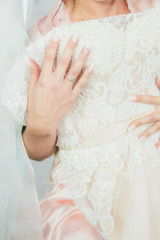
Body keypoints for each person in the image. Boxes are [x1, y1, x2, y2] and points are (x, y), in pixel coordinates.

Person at [2, 0, 160, 239]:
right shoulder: (47, 36)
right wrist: (41, 126)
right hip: (81, 194)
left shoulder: (152, 8)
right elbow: (36, 150)